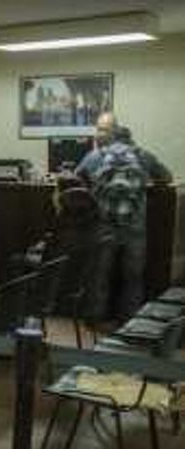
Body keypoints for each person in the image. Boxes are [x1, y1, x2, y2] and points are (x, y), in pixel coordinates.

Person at [75, 116, 172, 323]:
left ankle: (94, 317)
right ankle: (129, 320)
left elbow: (76, 178)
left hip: (104, 224)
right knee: (133, 277)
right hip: (134, 225)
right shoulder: (143, 155)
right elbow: (166, 177)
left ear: (111, 136)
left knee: (99, 274)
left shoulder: (95, 156)